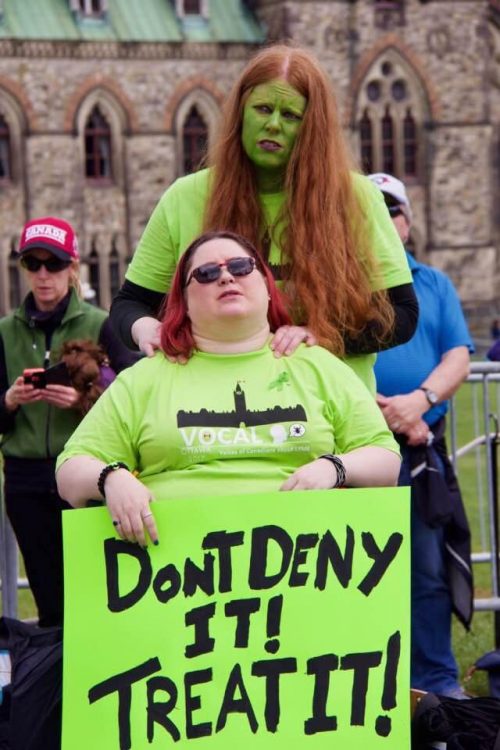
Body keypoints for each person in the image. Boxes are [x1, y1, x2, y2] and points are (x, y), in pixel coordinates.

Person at [56, 231, 401, 544]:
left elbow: (385, 459)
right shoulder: (146, 378)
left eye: (240, 266)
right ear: (184, 301)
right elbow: (70, 470)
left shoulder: (318, 366)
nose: (225, 276)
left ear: (267, 287)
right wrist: (111, 478)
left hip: (306, 571)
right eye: (206, 273)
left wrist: (334, 467)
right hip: (176, 581)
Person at [110, 44, 418, 394]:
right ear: (241, 113)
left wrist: (320, 336)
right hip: (216, 413)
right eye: (262, 109)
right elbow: (129, 305)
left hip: (329, 409)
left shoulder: (356, 197)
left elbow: (403, 315)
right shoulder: (185, 197)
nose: (272, 124)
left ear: (312, 127)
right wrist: (145, 328)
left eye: (290, 116)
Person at [0, 216, 138, 627]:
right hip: (24, 478)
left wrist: (82, 400)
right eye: (33, 264)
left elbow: (132, 395)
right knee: (47, 597)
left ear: (72, 266)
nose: (43, 275)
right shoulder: (6, 331)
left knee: (97, 590)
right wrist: (9, 400)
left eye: (54, 264)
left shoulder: (101, 323)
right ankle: (54, 686)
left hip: (84, 474)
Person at [370, 173, 475, 699]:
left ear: (407, 222)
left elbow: (457, 354)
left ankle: (434, 679)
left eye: (393, 211)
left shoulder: (433, 283)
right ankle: (375, 681)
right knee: (359, 571)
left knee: (426, 572)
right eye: (374, 211)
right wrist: (376, 409)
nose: (385, 221)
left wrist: (419, 403)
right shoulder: (338, 280)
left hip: (418, 448)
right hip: (359, 452)